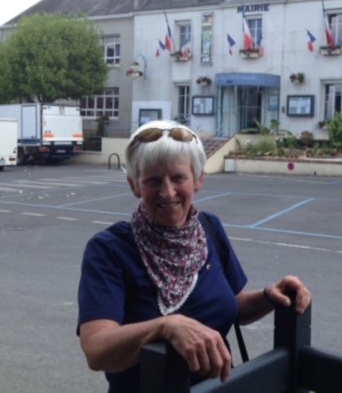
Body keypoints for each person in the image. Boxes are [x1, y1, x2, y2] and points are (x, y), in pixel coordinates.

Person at [77, 120, 311, 392]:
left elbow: (231, 305)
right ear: (134, 185)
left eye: (178, 178)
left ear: (198, 179)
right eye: (153, 180)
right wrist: (165, 327)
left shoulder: (209, 229)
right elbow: (96, 349)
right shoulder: (110, 249)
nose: (167, 192)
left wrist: (269, 296)